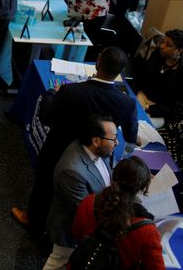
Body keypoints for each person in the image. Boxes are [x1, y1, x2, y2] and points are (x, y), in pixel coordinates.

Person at [12, 47, 138, 236]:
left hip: (59, 149)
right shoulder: (127, 103)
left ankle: (34, 221)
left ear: (97, 63)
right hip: (97, 156)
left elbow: (47, 117)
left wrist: (50, 94)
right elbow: (131, 134)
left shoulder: (70, 91)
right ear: (120, 73)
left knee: (45, 184)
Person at [44, 115, 116, 269]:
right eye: (113, 138)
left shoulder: (98, 150)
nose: (116, 143)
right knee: (58, 261)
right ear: (96, 140)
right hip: (70, 230)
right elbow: (84, 211)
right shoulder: (72, 170)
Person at [71, 156, 164, 269]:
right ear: (142, 189)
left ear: (114, 177)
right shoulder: (147, 230)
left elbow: (77, 233)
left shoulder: (89, 202)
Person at [134, 29, 183, 120]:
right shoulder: (157, 54)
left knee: (137, 122)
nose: (161, 46)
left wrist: (149, 109)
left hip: (160, 110)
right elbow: (142, 76)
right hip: (142, 96)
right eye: (162, 41)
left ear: (179, 50)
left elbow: (177, 108)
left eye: (168, 45)